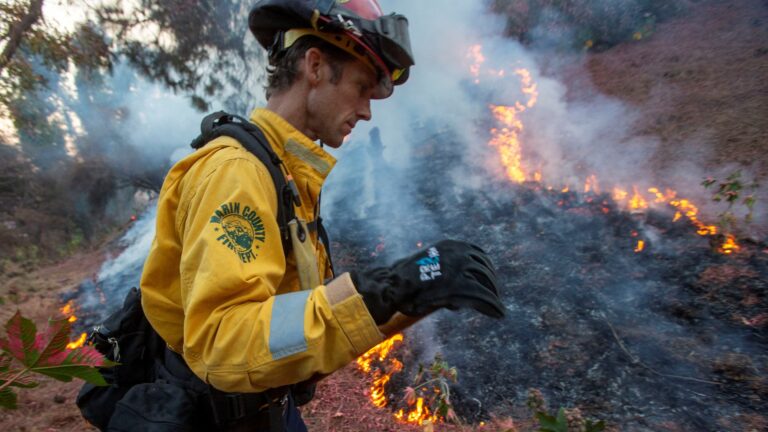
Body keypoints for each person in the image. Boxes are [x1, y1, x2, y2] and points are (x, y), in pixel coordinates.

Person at [139, 0, 506, 430]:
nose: (368, 110)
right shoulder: (237, 173)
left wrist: (409, 295)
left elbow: (286, 326)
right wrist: (391, 291)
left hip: (265, 408)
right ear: (314, 66)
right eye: (361, 87)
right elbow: (224, 341)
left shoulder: (282, 172)